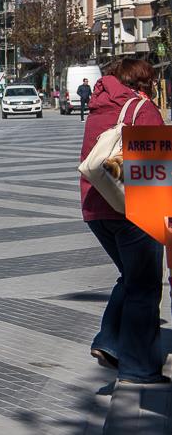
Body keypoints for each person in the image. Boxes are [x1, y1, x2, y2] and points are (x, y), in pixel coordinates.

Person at [80, 57, 169, 385]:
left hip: (95, 207)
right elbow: (156, 168)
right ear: (143, 81)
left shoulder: (99, 107)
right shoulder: (141, 109)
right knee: (145, 287)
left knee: (131, 277)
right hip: (133, 208)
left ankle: (109, 341)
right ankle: (139, 368)